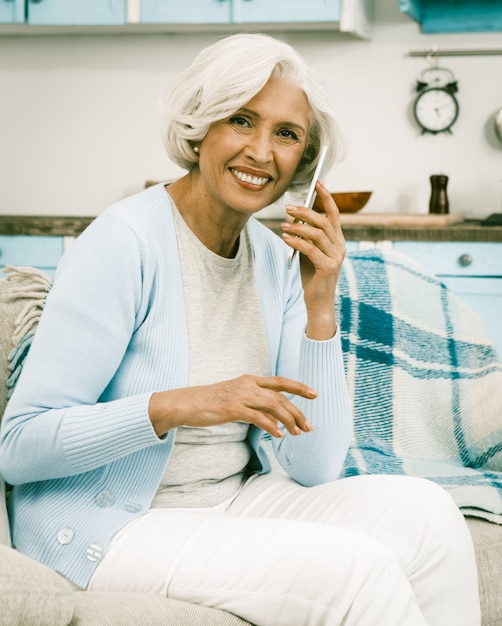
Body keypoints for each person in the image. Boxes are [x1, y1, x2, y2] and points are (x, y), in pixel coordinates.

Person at [0, 33, 480, 626]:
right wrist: (182, 405)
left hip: (232, 499)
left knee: (429, 514)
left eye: (286, 133)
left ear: (306, 162)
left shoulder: (272, 259)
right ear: (201, 126)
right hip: (112, 521)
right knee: (358, 571)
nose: (261, 150)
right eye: (241, 120)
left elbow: (314, 466)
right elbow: (19, 445)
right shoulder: (124, 243)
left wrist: (319, 301)